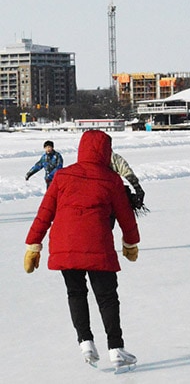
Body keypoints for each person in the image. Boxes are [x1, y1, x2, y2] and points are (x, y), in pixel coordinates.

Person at [23, 130, 140, 371]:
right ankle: (116, 349)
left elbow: (44, 213)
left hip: (65, 246)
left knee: (75, 293)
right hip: (98, 245)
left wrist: (33, 245)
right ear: (106, 152)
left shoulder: (63, 176)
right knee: (107, 297)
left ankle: (86, 343)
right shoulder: (111, 179)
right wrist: (130, 243)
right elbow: (126, 217)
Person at [111, 152, 148, 216]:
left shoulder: (88, 154)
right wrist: (136, 186)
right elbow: (124, 168)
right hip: (110, 198)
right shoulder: (110, 155)